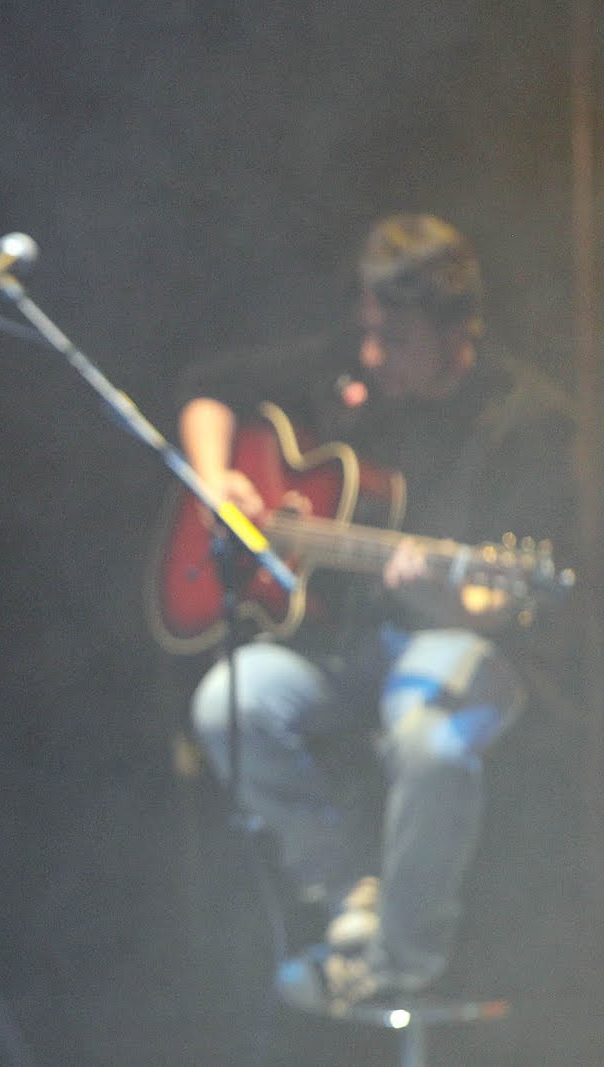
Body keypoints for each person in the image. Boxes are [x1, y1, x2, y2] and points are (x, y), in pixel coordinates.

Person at [176, 214, 575, 1009]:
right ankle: (347, 888)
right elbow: (205, 391)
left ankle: (398, 957)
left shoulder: (528, 420)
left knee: (428, 738)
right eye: (368, 332)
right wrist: (220, 481)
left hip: (459, 643)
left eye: (394, 340)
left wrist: (444, 595)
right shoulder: (347, 368)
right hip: (342, 643)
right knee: (229, 699)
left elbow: (517, 605)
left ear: (455, 332)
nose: (370, 355)